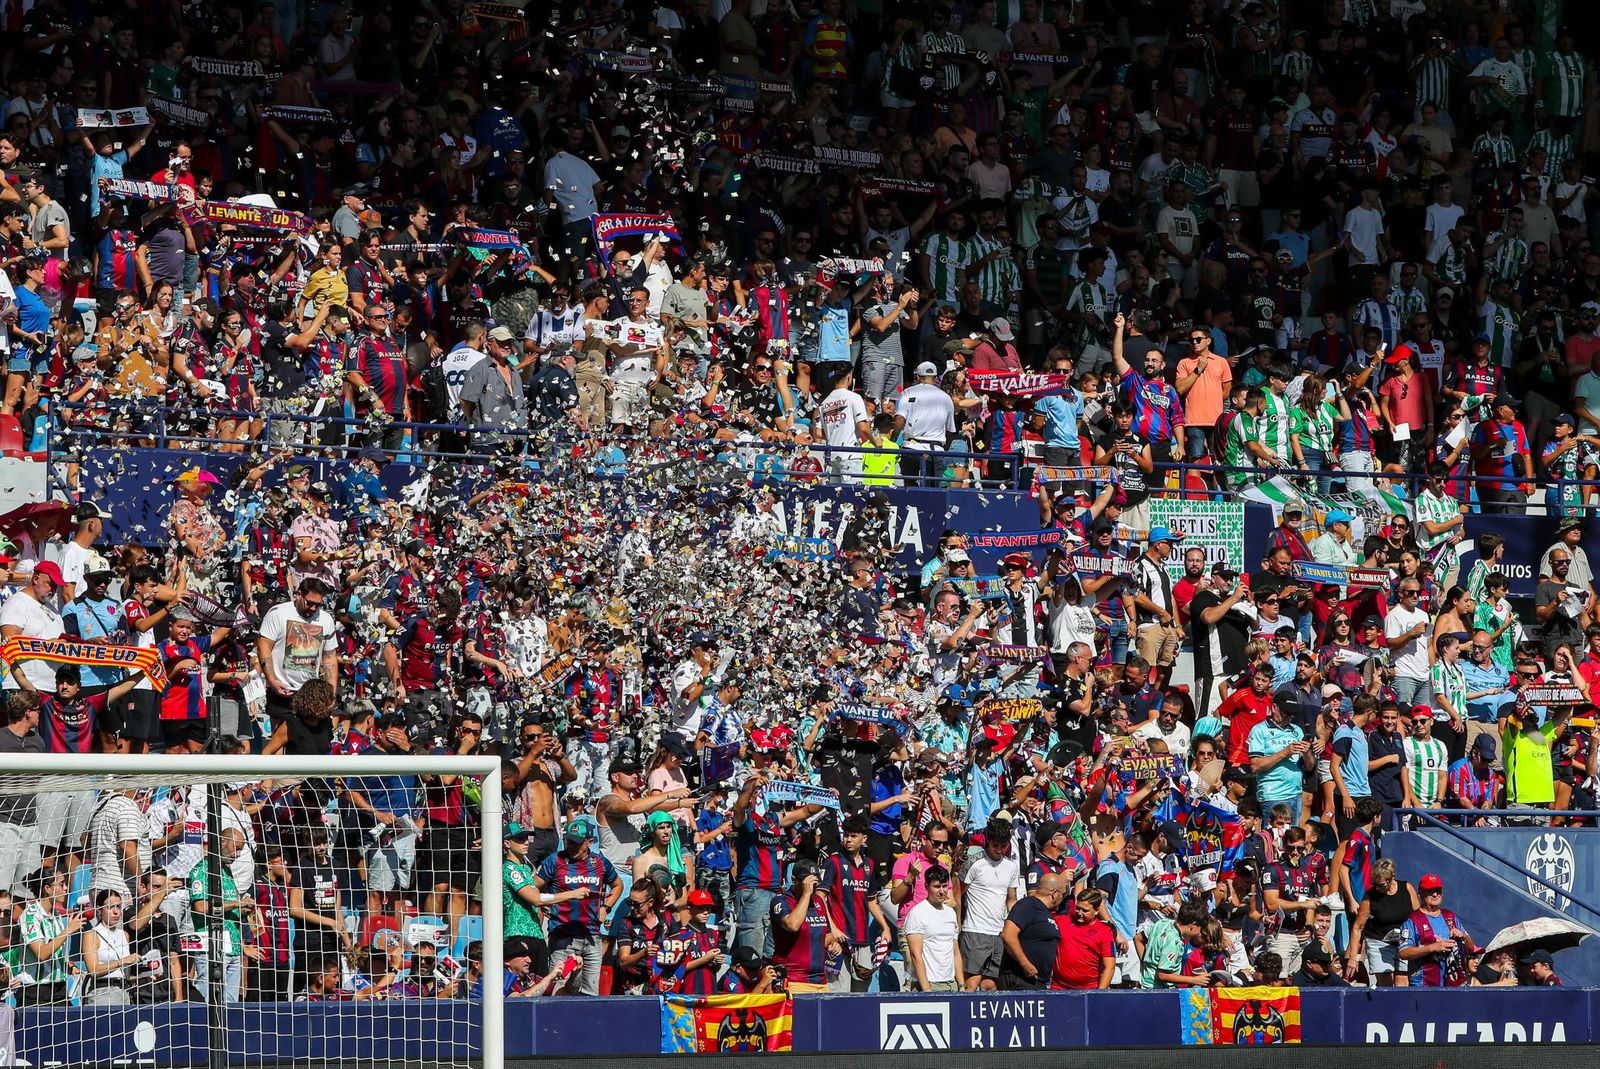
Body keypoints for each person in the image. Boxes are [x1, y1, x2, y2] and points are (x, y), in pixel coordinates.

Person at [1399, 873, 1477, 987]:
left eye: (1438, 890)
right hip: (1424, 984)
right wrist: (1432, 948)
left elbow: (1471, 948)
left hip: (1453, 984)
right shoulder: (1413, 920)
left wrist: (1463, 937)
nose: (1435, 894)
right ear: (1420, 893)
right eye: (1430, 891)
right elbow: (1403, 953)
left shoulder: (1450, 916)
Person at [1000, 870, 1065, 990]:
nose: (1063, 899)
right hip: (1020, 979)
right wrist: (1026, 964)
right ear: (1055, 893)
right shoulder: (1029, 904)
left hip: (1037, 982)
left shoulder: (1045, 912)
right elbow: (1008, 935)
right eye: (1063, 894)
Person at [904, 865, 963, 992]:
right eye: (936, 886)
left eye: (944, 886)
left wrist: (961, 985)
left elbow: (955, 952)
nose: (942, 891)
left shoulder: (950, 913)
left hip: (951, 983)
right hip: (930, 984)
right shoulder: (917, 913)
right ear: (926, 886)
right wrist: (927, 991)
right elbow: (916, 955)